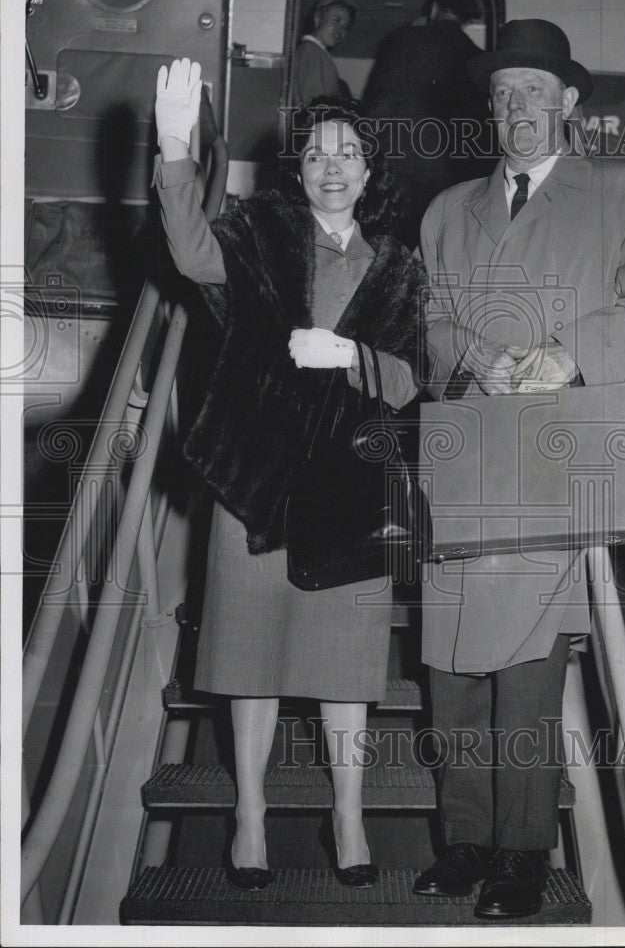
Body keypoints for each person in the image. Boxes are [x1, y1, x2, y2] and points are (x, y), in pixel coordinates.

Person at [413, 20, 625, 919]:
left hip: (557, 456)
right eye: (502, 95)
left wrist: (568, 353)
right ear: (488, 110)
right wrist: (466, 359)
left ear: (569, 102)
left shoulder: (623, 191)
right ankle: (461, 843)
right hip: (462, 452)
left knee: (528, 669)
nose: (517, 110)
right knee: (449, 667)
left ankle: (521, 854)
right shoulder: (446, 210)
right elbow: (418, 320)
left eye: (534, 91)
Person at [153, 59, 426, 891]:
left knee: (346, 666)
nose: (332, 167)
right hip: (256, 482)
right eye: (315, 155)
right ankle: (249, 818)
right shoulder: (256, 233)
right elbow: (191, 252)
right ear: (298, 169)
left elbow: (414, 373)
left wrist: (352, 355)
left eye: (348, 153)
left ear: (370, 170)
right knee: (249, 657)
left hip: (350, 488)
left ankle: (347, 817)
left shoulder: (398, 265)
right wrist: (173, 146)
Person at [361, 0, 495, 249]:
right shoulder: (479, 61)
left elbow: (374, 116)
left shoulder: (399, 43)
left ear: (433, 8)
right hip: (454, 195)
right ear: (464, 19)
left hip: (397, 186)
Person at [291, 0, 357, 107]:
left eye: (345, 26)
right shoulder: (311, 50)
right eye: (336, 20)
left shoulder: (316, 52)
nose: (340, 30)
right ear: (317, 18)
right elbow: (314, 106)